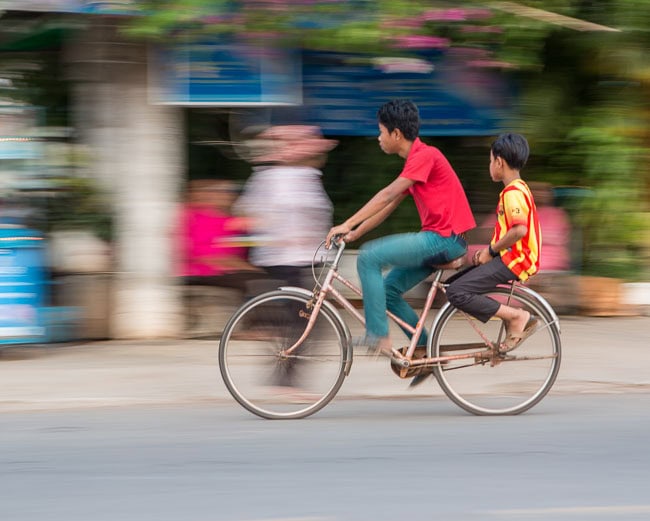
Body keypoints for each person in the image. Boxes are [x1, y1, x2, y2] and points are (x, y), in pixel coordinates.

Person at [326, 99, 476, 358]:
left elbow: (386, 195)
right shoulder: (415, 162)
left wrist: (347, 222)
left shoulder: (426, 155)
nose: (378, 138)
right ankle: (425, 349)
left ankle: (378, 335)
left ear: (396, 134)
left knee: (369, 257)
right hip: (442, 240)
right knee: (388, 292)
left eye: (381, 131)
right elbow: (388, 206)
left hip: (443, 239)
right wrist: (355, 233)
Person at [446, 133, 541, 351]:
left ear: (499, 162)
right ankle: (511, 318)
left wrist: (490, 251)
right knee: (455, 285)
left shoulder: (512, 193)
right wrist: (487, 254)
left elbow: (519, 230)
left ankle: (516, 317)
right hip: (510, 257)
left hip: (517, 260)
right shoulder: (520, 189)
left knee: (456, 292)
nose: (490, 166)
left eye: (490, 161)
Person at [235, 125, 336, 292]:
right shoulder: (277, 177)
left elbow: (246, 212)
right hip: (289, 257)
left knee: (301, 306)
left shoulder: (302, 176)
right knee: (299, 307)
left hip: (296, 256)